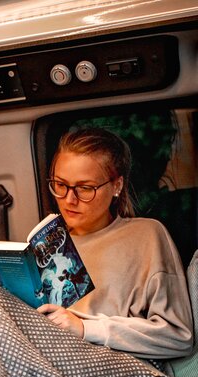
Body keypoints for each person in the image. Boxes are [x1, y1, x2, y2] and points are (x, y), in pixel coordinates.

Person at [37, 127, 193, 360]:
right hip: (46, 359)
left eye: (85, 188)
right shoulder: (46, 241)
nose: (69, 199)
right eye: (60, 185)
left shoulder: (146, 235)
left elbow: (178, 337)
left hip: (111, 365)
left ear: (116, 186)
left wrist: (85, 329)